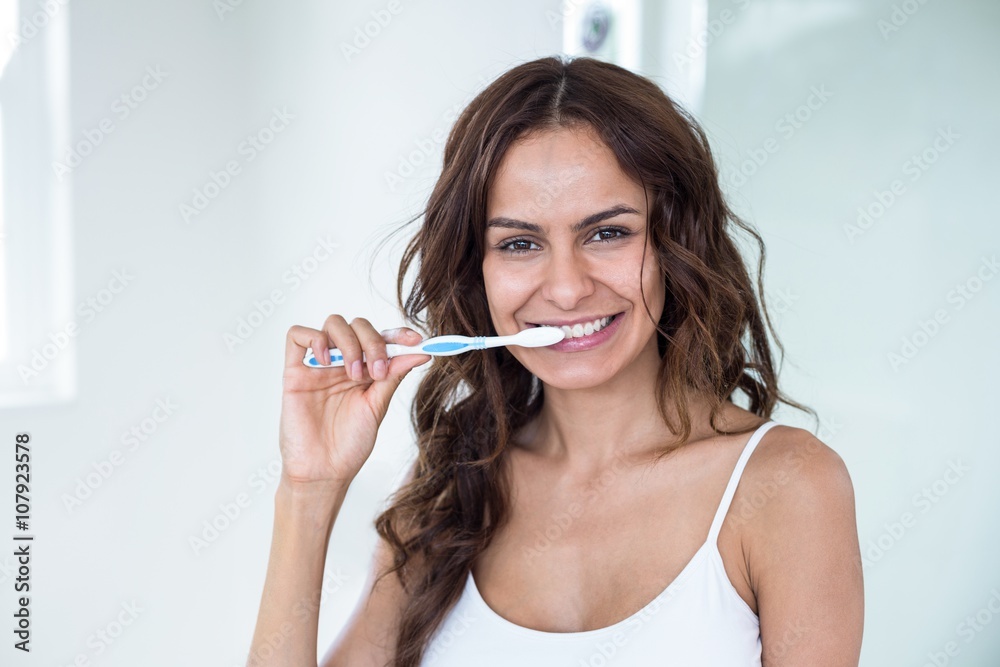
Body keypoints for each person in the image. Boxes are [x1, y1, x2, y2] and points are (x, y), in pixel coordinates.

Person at [247, 55, 864, 667]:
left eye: (607, 233)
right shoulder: (447, 493)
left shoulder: (787, 486)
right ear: (477, 271)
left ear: (675, 242)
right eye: (520, 243)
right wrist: (308, 490)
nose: (566, 289)